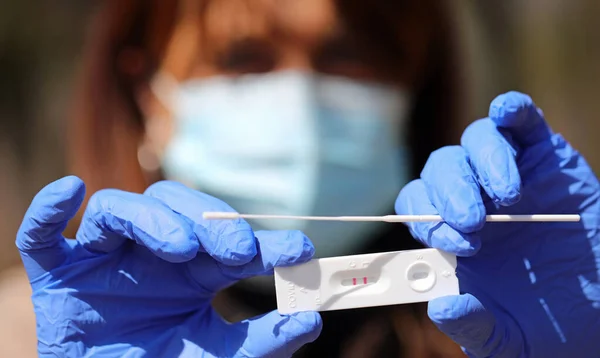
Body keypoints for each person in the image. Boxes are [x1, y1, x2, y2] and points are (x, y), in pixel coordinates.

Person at [10, 1, 600, 358]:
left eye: (349, 57)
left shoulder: (503, 314)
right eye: (243, 58)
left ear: (411, 86)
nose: (301, 102)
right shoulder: (23, 333)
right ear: (147, 93)